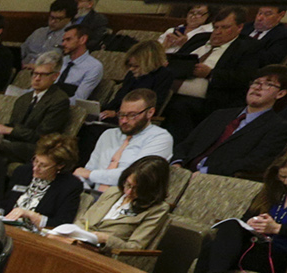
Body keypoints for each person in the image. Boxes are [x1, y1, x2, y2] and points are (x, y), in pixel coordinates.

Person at [196, 146, 287, 273]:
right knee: (229, 227)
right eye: (283, 177)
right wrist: (251, 222)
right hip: (257, 245)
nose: (285, 182)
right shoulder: (275, 192)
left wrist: (277, 228)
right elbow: (246, 218)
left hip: (279, 255)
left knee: (212, 248)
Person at [175, 65, 287, 175]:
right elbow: (187, 144)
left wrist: (206, 171)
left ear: (280, 93)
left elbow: (255, 162)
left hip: (217, 179)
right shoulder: (220, 114)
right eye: (256, 82)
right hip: (184, 171)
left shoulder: (277, 127)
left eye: (268, 84)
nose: (258, 87)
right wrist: (177, 163)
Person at [165, 6, 256, 135]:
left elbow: (244, 77)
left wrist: (210, 74)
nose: (218, 32)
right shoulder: (199, 38)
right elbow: (177, 59)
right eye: (216, 27)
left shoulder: (247, 48)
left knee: (179, 107)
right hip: (169, 89)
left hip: (209, 99)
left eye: (225, 27)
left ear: (240, 27)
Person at [87, 39, 178, 156]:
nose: (131, 69)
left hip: (135, 118)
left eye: (135, 66)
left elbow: (155, 103)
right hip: (118, 115)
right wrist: (102, 110)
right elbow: (118, 98)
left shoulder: (164, 75)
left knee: (93, 131)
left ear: (148, 63)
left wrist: (117, 114)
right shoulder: (131, 75)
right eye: (130, 66)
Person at [67, 153, 175, 251]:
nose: (128, 192)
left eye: (137, 189)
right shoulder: (112, 192)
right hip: (79, 245)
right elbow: (83, 221)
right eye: (128, 184)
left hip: (107, 255)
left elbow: (135, 248)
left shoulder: (157, 209)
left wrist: (106, 239)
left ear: (151, 189)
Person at [0, 55, 80, 167]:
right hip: (17, 142)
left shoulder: (59, 100)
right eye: (35, 73)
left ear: (55, 76)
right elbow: (14, 124)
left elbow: (43, 136)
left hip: (39, 147)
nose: (37, 78)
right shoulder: (24, 99)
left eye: (43, 75)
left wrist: (10, 131)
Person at [80, 90, 176, 190]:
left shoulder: (160, 138)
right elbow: (87, 171)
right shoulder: (109, 135)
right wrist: (81, 181)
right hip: (94, 196)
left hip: (127, 199)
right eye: (121, 115)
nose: (124, 120)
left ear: (150, 112)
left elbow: (134, 177)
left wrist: (91, 174)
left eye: (132, 115)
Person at [0, 134, 86, 227]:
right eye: (35, 160)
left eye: (43, 165)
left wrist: (31, 215)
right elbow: (5, 203)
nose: (35, 168)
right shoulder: (22, 172)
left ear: (60, 165)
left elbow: (62, 223)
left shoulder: (70, 186)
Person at [54, 24, 106, 102]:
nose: (63, 44)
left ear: (82, 39)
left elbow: (79, 98)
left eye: (68, 40)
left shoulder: (94, 66)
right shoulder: (61, 61)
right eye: (63, 40)